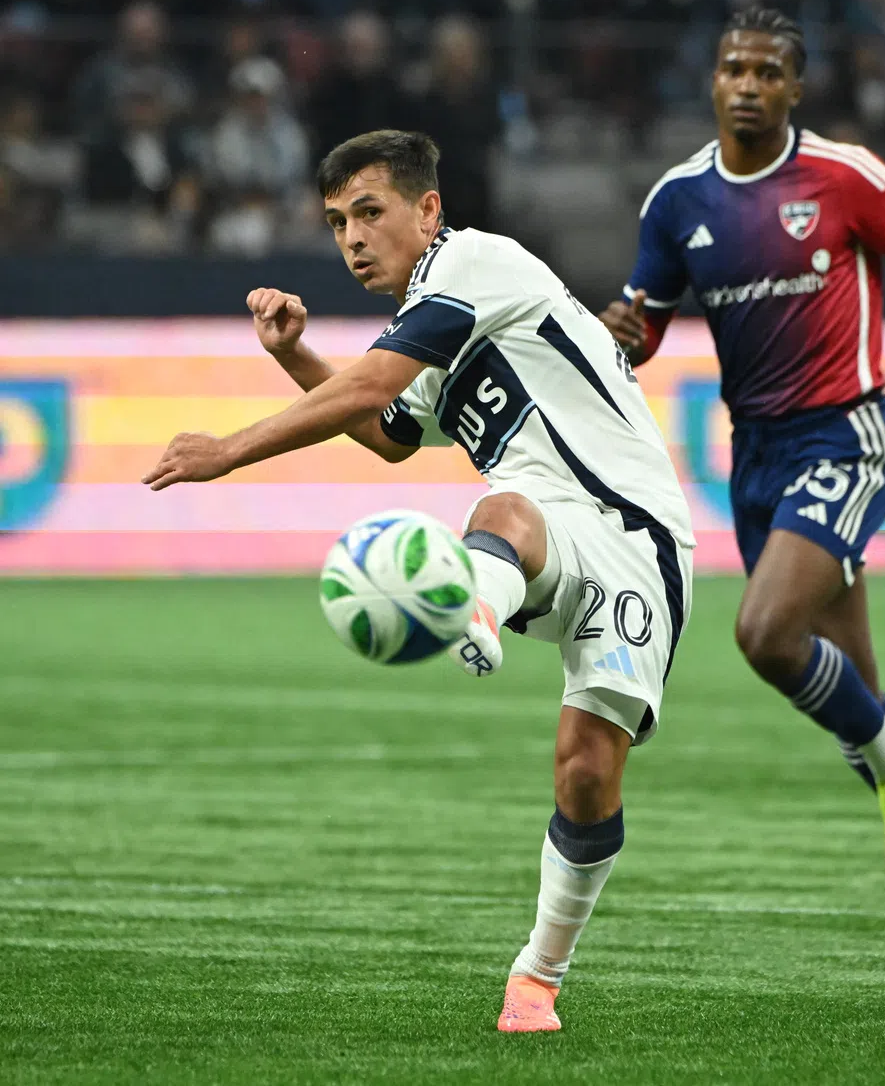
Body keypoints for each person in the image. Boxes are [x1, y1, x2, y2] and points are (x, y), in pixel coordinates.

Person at [143, 129, 694, 1031]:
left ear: (427, 208)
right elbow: (391, 434)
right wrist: (293, 354)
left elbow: (372, 389)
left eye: (370, 211)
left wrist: (230, 450)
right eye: (336, 222)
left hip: (637, 536)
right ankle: (474, 602)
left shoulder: (477, 263)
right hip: (538, 527)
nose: (353, 237)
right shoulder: (432, 321)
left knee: (586, 773)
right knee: (503, 507)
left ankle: (537, 978)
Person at [600, 7, 885, 941]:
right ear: (713, 81)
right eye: (733, 67)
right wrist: (625, 331)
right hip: (755, 457)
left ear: (795, 87)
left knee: (765, 633)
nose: (747, 84)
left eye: (767, 71)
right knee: (852, 692)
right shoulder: (675, 202)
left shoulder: (842, 176)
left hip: (845, 437)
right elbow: (645, 321)